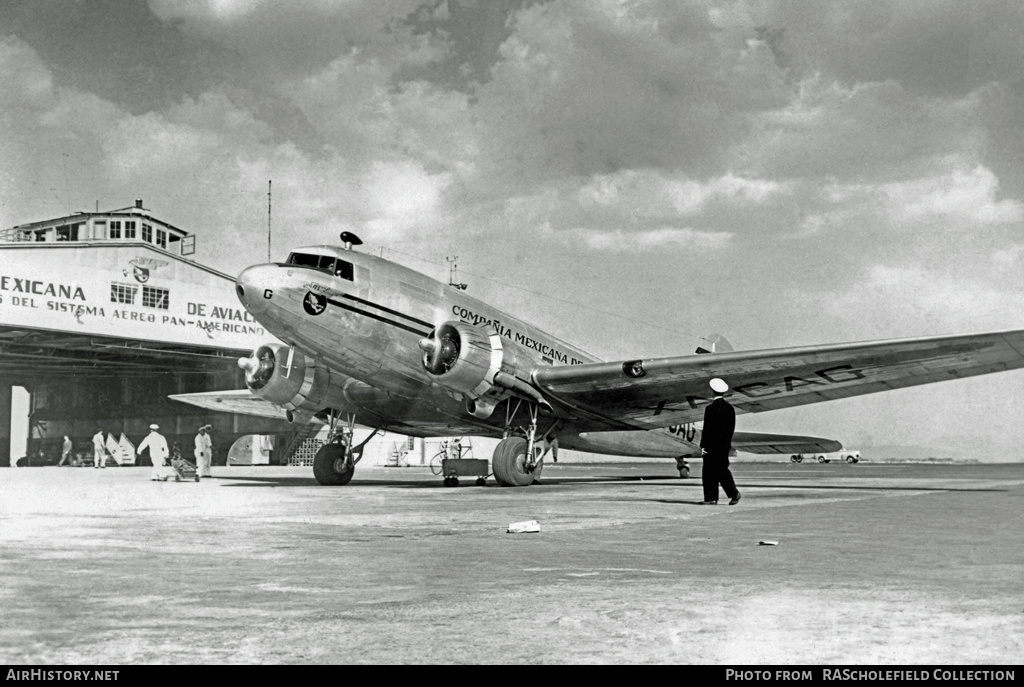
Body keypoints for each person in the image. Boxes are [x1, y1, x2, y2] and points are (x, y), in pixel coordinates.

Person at [699, 378, 741, 505]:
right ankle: (733, 493)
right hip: (724, 446)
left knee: (708, 472)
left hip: (711, 446)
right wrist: (726, 443)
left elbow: (707, 429)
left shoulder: (710, 408)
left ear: (712, 392)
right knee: (722, 470)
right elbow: (730, 429)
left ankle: (711, 498)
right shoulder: (730, 408)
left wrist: (703, 446)